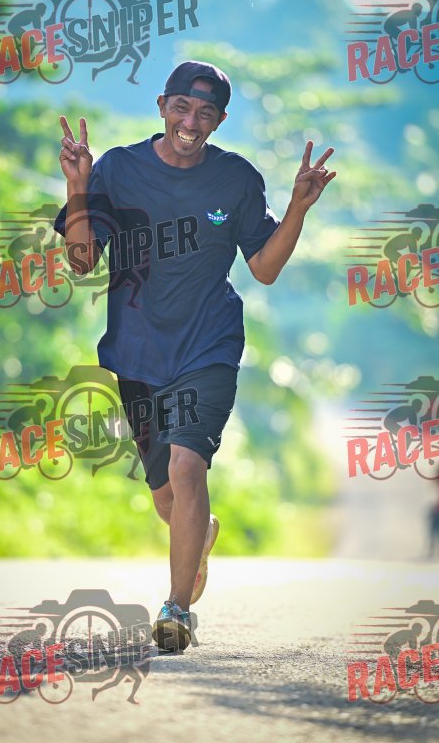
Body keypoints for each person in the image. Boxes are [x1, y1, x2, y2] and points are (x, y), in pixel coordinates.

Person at [53, 61, 336, 652]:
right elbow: (81, 262)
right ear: (162, 106)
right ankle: (199, 534)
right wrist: (79, 186)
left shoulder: (236, 179)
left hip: (209, 345)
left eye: (206, 113)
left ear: (220, 120)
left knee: (188, 469)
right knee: (166, 496)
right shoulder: (118, 169)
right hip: (136, 353)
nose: (191, 121)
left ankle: (176, 609)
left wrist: (298, 209)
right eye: (182, 107)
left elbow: (264, 268)